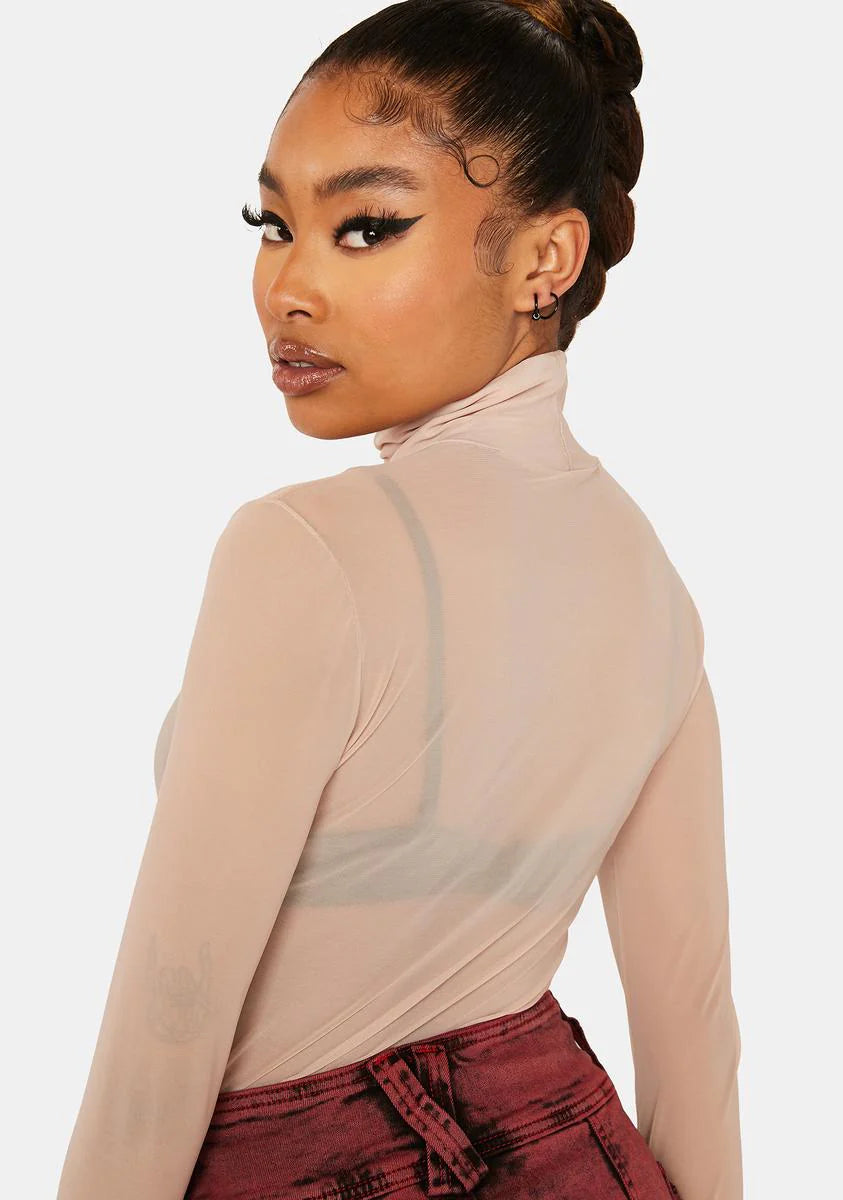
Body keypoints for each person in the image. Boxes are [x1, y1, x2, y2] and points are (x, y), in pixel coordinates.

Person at [57, 2, 743, 1198]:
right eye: (274, 225)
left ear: (546, 260)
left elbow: (164, 1031)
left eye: (367, 228)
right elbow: (695, 1025)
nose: (288, 288)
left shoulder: (301, 551)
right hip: (579, 1147)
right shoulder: (652, 585)